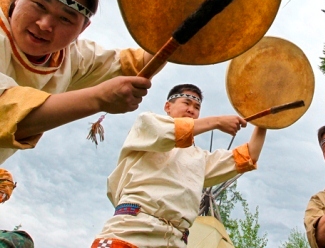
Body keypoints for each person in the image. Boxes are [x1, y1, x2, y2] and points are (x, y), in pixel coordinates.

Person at [0, 0, 155, 164]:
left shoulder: (72, 57)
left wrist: (192, 18)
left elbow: (138, 64)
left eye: (65, 19)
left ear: (83, 28)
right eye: (39, 5)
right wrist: (98, 99)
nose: (44, 25)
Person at [91, 83, 266, 248]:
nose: (191, 110)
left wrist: (265, 121)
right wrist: (218, 121)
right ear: (168, 106)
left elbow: (247, 156)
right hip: (131, 229)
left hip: (174, 240)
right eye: (186, 103)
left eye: (197, 107)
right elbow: (173, 131)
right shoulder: (147, 125)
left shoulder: (198, 158)